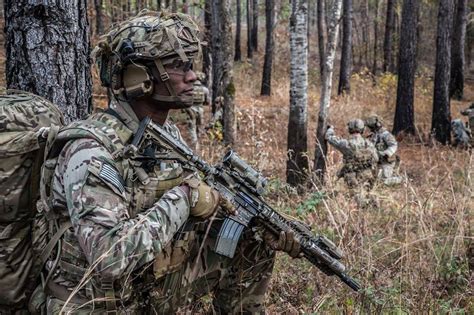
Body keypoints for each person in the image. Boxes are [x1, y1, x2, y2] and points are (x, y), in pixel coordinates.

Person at [38, 11, 301, 314]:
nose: (192, 76)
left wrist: (253, 223)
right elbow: (108, 258)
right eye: (178, 66)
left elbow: (190, 216)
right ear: (140, 77)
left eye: (191, 65)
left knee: (251, 241)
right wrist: (186, 197)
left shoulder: (164, 136)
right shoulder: (92, 151)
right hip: (95, 303)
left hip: (142, 288)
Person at [326, 119, 379, 191]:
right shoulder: (368, 144)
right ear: (362, 130)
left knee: (353, 195)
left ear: (349, 130)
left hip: (351, 177)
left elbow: (329, 137)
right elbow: (376, 159)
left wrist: (330, 129)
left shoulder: (345, 144)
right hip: (367, 175)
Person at [168, 71, 209, 152]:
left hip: (191, 109)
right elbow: (207, 102)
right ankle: (200, 143)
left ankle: (195, 146)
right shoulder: (205, 89)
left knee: (192, 127)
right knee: (200, 127)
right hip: (200, 109)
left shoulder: (189, 88)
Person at [365, 115, 402, 186]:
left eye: (371, 126)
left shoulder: (386, 134)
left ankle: (399, 179)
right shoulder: (373, 135)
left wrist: (386, 153)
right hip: (376, 162)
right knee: (371, 180)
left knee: (383, 182)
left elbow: (394, 145)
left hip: (386, 162)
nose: (370, 128)